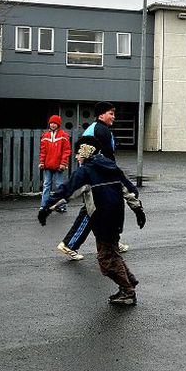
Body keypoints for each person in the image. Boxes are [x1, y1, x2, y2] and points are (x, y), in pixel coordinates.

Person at [39, 136, 146, 306]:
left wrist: (47, 208)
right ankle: (128, 282)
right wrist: (138, 210)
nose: (76, 157)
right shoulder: (112, 166)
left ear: (86, 150)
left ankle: (128, 292)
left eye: (78, 153)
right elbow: (130, 190)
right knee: (112, 251)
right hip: (116, 217)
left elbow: (67, 191)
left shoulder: (86, 171)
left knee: (106, 260)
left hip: (101, 219)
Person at [56, 101, 127, 261]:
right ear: (101, 114)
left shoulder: (99, 129)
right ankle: (69, 244)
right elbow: (89, 156)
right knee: (91, 210)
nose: (113, 117)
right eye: (111, 113)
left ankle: (112, 242)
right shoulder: (98, 130)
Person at [39, 114, 71, 213]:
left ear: (58, 124)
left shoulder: (63, 136)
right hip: (48, 165)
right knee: (46, 185)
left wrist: (63, 163)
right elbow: (43, 151)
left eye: (55, 123)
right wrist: (41, 162)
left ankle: (61, 206)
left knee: (59, 186)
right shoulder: (45, 136)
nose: (53, 125)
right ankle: (44, 205)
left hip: (59, 166)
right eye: (51, 123)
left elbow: (66, 151)